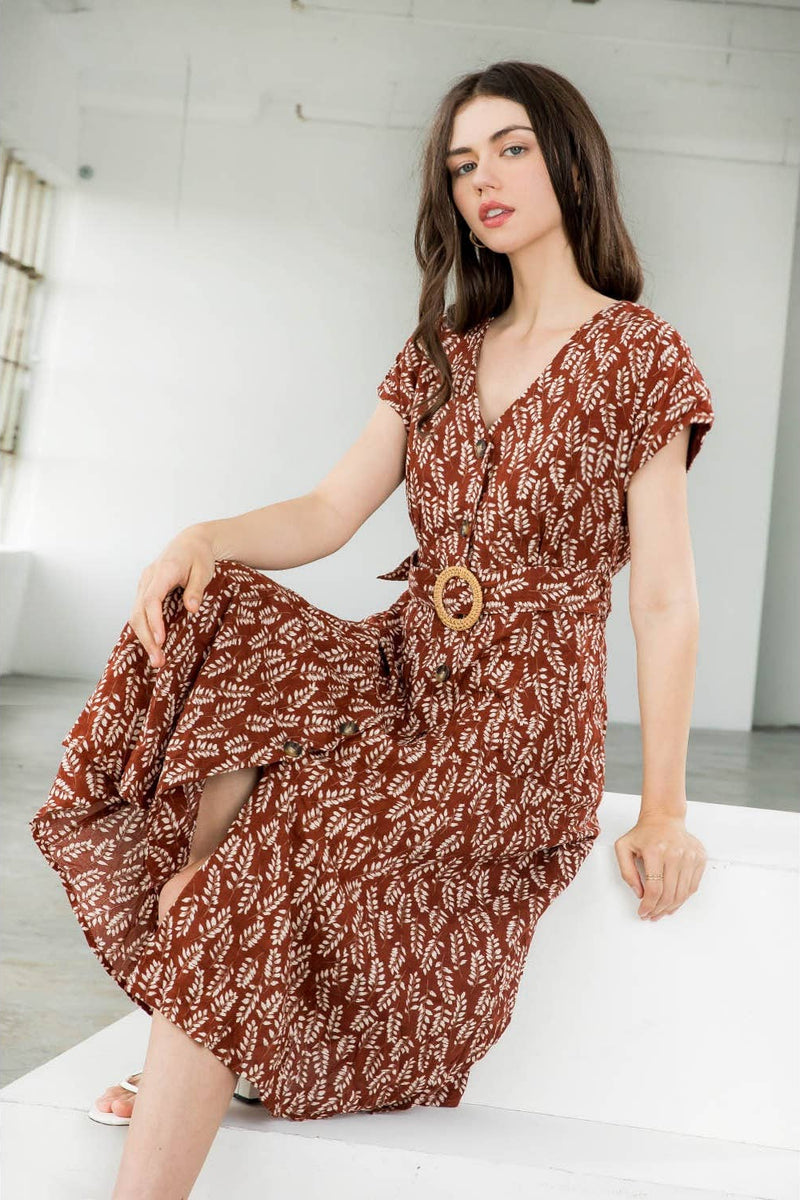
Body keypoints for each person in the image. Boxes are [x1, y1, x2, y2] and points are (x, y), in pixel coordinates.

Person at [30, 59, 715, 1198]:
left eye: (507, 149)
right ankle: (213, 1009)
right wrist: (202, 534)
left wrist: (661, 808)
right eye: (459, 164)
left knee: (269, 851)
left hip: (517, 720)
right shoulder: (438, 354)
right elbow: (328, 512)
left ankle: (188, 1063)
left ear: (569, 161)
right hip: (405, 666)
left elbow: (663, 594)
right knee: (226, 603)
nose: (481, 180)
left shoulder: (639, 357)